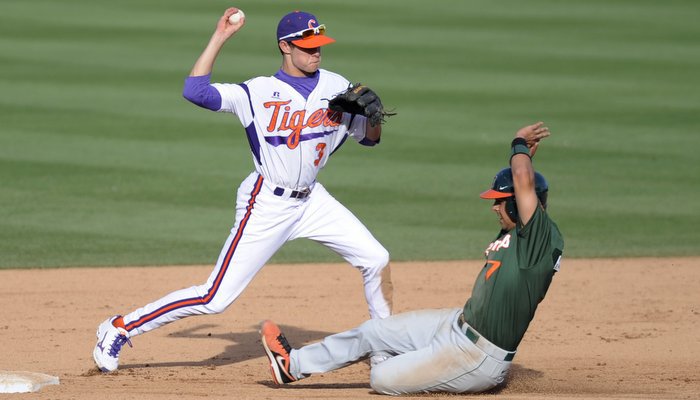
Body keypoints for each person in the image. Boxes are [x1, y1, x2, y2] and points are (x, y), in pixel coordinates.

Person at [92, 8, 394, 373]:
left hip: (313, 200)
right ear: (285, 46)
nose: (315, 53)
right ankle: (120, 328)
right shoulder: (257, 91)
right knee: (214, 298)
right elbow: (195, 91)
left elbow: (369, 140)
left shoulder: (336, 86)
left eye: (319, 46)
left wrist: (374, 118)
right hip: (266, 202)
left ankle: (383, 345)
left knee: (376, 259)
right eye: (307, 46)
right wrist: (220, 36)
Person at [260, 122, 564, 395]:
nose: (494, 208)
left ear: (520, 204)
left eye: (500, 202)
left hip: (477, 357)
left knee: (381, 378)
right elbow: (524, 184)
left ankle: (407, 362)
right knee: (372, 331)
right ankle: (292, 365)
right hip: (454, 323)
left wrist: (519, 143)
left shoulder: (538, 238)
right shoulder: (521, 232)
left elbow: (524, 180)